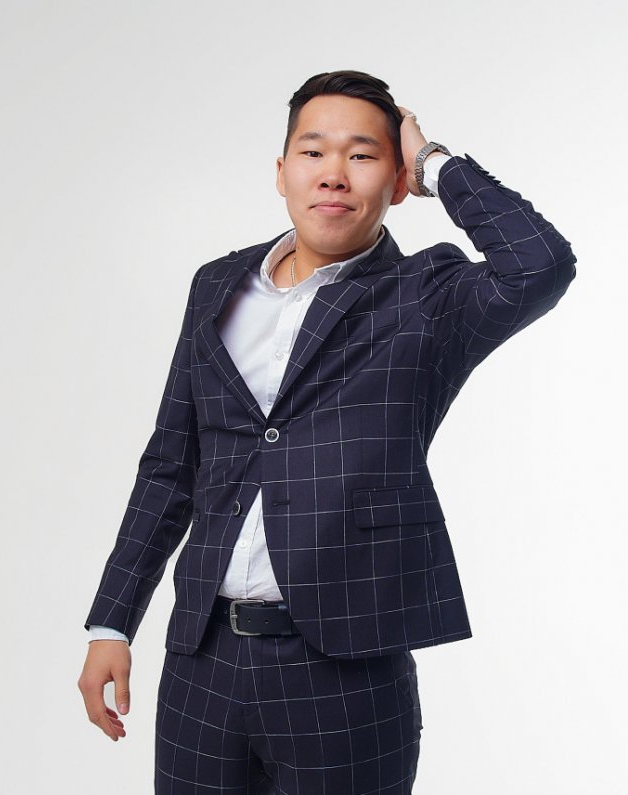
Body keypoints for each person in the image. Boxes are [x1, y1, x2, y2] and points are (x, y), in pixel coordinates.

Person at [78, 69, 576, 793]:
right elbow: (169, 467)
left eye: (363, 155)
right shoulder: (216, 285)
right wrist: (111, 625)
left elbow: (541, 264)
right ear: (282, 171)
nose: (334, 173)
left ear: (397, 182)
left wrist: (435, 162)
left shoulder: (427, 299)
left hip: (344, 671)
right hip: (201, 662)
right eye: (313, 152)